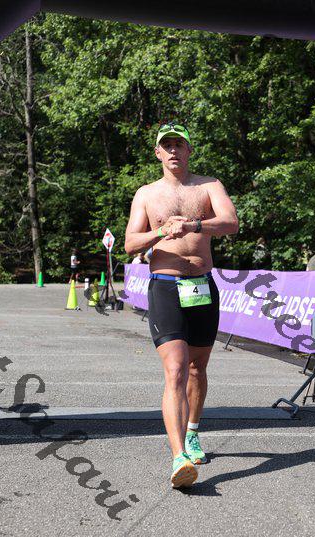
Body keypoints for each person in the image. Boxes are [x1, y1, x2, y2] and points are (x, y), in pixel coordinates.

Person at [124, 122, 239, 488]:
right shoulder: (146, 194)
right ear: (158, 152)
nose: (173, 150)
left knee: (196, 368)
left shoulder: (209, 186)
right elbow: (130, 243)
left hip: (202, 286)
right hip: (166, 287)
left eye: (179, 144)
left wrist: (192, 226)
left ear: (189, 150)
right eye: (167, 145)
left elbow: (231, 223)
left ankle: (192, 432)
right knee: (175, 369)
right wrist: (161, 232)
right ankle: (179, 458)